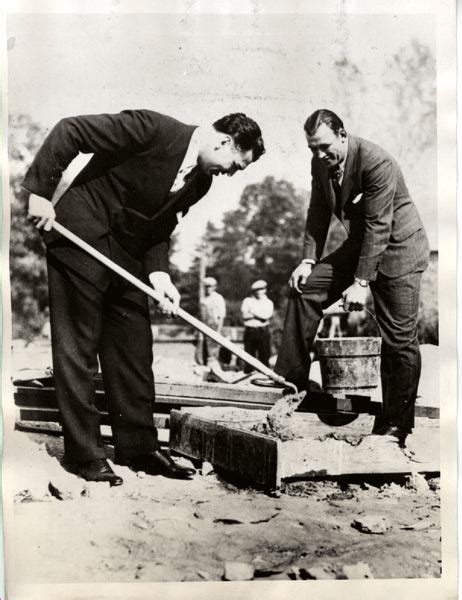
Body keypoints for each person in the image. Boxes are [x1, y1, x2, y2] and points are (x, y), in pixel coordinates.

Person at [24, 109, 265, 485]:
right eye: (234, 165)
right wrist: (39, 193)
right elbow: (70, 129)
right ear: (223, 142)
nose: (229, 174)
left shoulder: (200, 182)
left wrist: (160, 274)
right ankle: (85, 455)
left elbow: (159, 226)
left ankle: (139, 449)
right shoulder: (153, 130)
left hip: (126, 256)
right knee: (79, 348)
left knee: (134, 346)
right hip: (80, 235)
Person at [253, 109, 429, 446]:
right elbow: (317, 212)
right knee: (305, 288)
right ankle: (292, 381)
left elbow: (380, 225)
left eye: (324, 146)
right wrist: (307, 260)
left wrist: (361, 283)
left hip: (398, 249)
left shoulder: (377, 161)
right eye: (312, 149)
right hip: (360, 245)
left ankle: (396, 426)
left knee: (399, 339)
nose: (320, 155)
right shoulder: (320, 163)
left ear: (343, 135)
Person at [241, 280, 274, 373]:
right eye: (257, 290)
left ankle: (265, 375)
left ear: (265, 290)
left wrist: (252, 312)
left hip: (262, 331)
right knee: (248, 355)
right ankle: (248, 375)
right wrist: (259, 314)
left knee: (264, 355)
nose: (259, 291)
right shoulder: (247, 301)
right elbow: (244, 316)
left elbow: (266, 316)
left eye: (262, 289)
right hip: (250, 330)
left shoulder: (268, 302)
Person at [198, 276, 227, 376]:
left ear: (214, 287)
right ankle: (206, 371)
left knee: (214, 351)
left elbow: (221, 316)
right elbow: (201, 315)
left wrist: (218, 330)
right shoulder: (203, 299)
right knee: (203, 349)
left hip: (214, 326)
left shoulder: (218, 298)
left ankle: (216, 372)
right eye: (206, 286)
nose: (208, 288)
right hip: (204, 326)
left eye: (210, 286)